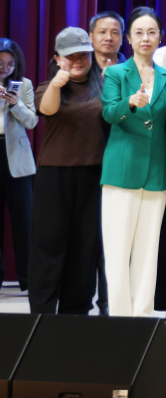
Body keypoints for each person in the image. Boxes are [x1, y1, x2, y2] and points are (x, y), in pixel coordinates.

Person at [99, 7, 166, 317]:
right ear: (129, 39)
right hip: (122, 169)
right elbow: (108, 113)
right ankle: (120, 317)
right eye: (139, 33)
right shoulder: (116, 73)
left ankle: (142, 316)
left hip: (157, 172)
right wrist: (129, 102)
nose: (146, 38)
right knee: (117, 249)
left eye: (152, 32)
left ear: (160, 37)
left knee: (148, 249)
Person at [30, 28, 107, 314]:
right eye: (70, 56)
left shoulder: (105, 85)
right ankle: (42, 314)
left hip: (94, 173)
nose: (77, 60)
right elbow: (47, 110)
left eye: (83, 55)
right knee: (48, 244)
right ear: (57, 58)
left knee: (85, 247)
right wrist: (56, 84)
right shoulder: (47, 87)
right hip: (55, 174)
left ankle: (76, 314)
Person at [0, 40, 37, 292]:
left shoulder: (24, 85)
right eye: (1, 63)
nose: (5, 68)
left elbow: (32, 121)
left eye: (10, 64)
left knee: (24, 220)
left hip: (16, 155)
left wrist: (15, 104)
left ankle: (29, 280)